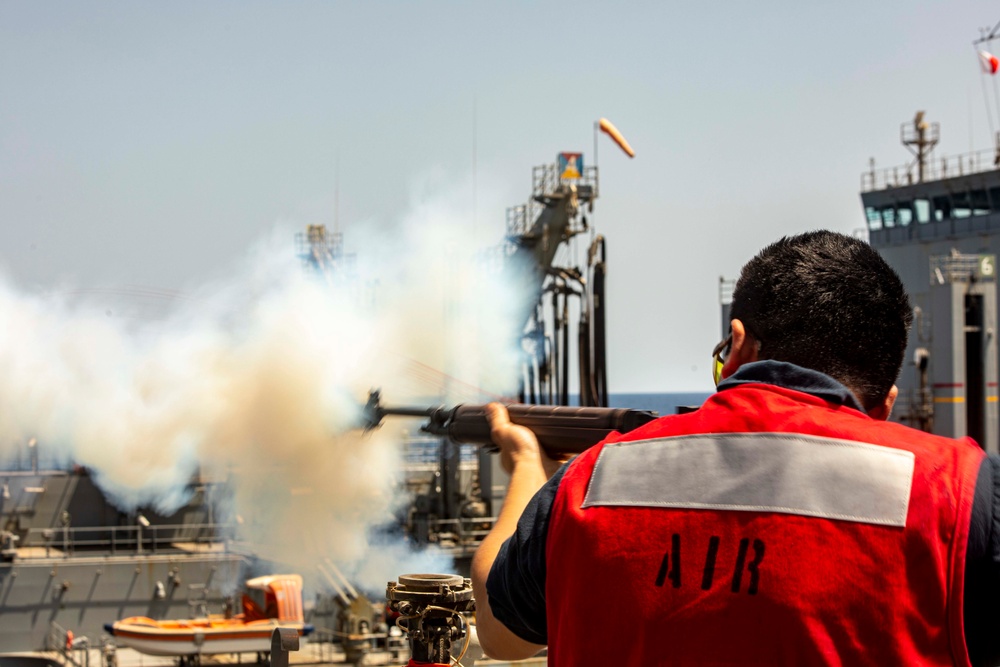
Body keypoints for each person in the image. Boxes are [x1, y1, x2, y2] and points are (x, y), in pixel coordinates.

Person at [470, 230, 1000, 666]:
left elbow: (500, 633)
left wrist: (523, 464)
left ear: (738, 344)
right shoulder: (964, 495)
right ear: (885, 403)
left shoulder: (592, 479)